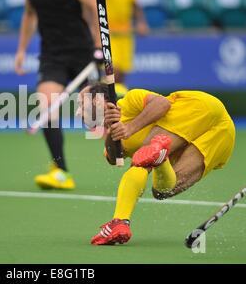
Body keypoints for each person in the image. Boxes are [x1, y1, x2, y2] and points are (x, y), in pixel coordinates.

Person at [77, 83, 235, 245]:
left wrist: (130, 128)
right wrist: (112, 132)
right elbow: (113, 157)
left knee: (140, 162)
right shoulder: (112, 133)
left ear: (98, 100)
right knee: (163, 190)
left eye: (81, 104)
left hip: (198, 105)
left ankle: (120, 222)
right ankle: (162, 159)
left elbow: (162, 104)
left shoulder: (129, 101)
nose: (78, 112)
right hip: (222, 133)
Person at [14, 0, 102, 190]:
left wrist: (99, 44)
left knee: (97, 117)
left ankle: (136, 154)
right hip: (52, 56)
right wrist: (22, 49)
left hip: (83, 53)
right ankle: (60, 171)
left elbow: (93, 5)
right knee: (46, 106)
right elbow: (30, 13)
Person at [88, 0, 149, 96]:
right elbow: (89, 6)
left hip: (125, 33)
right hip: (106, 32)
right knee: (112, 70)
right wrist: (92, 29)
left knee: (123, 73)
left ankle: (118, 103)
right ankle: (106, 101)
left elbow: (135, 4)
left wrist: (141, 22)